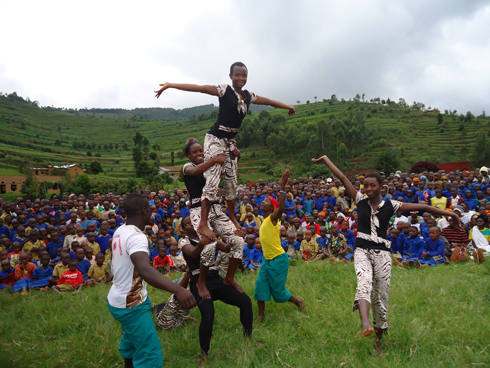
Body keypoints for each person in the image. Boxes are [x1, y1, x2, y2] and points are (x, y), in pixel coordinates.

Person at [312, 155, 460, 355]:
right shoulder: (359, 200)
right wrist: (326, 159)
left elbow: (423, 207)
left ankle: (378, 340)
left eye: (372, 185)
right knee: (363, 281)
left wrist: (451, 214)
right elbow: (341, 177)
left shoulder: (392, 205)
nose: (368, 189)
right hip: (362, 250)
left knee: (381, 298)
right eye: (365, 185)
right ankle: (365, 323)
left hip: (383, 254)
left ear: (382, 187)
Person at [155, 62, 295, 242]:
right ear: (230, 76)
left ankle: (232, 218)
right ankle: (203, 223)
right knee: (213, 179)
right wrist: (170, 85)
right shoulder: (223, 90)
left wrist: (288, 106)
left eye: (244, 76)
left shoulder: (248, 96)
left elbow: (268, 101)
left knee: (231, 182)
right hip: (215, 138)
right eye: (237, 75)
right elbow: (199, 88)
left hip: (230, 142)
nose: (241, 79)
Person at [107, 193, 196, 368]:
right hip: (131, 304)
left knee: (131, 341)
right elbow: (144, 269)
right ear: (144, 210)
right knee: (150, 356)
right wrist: (178, 289)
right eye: (150, 208)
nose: (152, 211)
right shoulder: (136, 237)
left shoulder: (121, 230)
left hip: (118, 299)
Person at [180, 215, 252, 364]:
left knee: (245, 301)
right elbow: (194, 253)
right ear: (184, 229)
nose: (190, 224)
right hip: (198, 281)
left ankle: (248, 337)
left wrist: (233, 237)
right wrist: (203, 242)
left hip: (215, 278)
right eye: (186, 224)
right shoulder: (184, 241)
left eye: (192, 221)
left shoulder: (208, 237)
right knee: (208, 316)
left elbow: (226, 248)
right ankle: (204, 355)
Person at [182, 138, 245, 299]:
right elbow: (196, 172)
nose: (199, 153)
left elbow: (227, 169)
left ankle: (230, 277)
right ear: (188, 155)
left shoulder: (211, 167)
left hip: (216, 208)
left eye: (200, 150)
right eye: (195, 152)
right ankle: (201, 282)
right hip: (198, 210)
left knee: (238, 241)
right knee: (208, 243)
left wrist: (235, 156)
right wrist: (215, 159)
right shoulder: (188, 168)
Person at [254, 170, 305, 323]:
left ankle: (298, 301)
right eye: (263, 200)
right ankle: (261, 316)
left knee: (278, 294)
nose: (263, 201)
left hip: (278, 260)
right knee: (260, 287)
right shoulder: (264, 220)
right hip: (267, 260)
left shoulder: (272, 218)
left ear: (272, 208)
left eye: (267, 201)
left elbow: (281, 209)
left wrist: (282, 186)